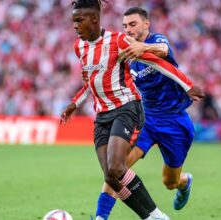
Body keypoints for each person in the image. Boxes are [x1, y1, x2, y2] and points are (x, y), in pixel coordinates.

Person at [61, 1, 204, 219]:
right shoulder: (122, 50)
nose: (128, 29)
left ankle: (184, 183)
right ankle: (101, 216)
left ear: (146, 24)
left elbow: (163, 52)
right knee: (117, 167)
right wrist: (75, 102)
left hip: (174, 120)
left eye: (133, 24)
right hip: (144, 117)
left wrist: (144, 48)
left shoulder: (156, 41)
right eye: (125, 25)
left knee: (170, 181)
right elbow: (98, 76)